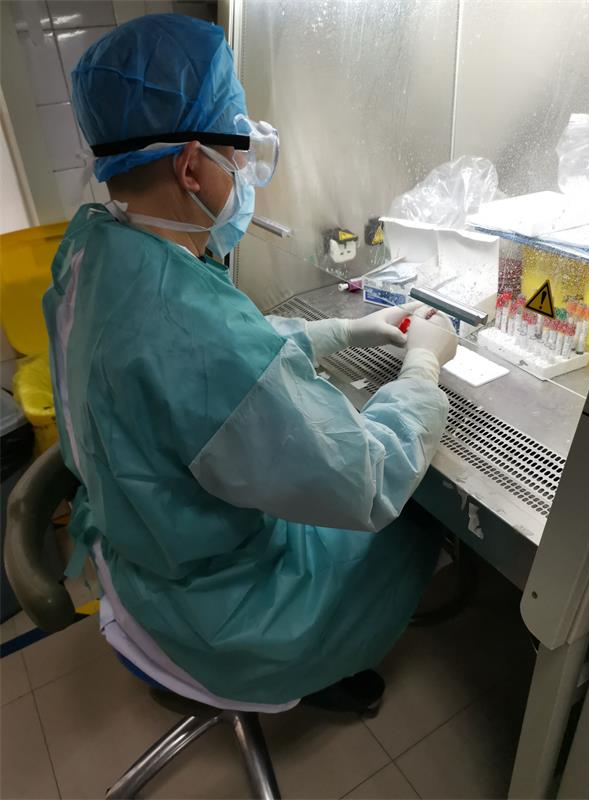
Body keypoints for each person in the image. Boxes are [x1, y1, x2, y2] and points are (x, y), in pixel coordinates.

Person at [43, 13, 457, 713]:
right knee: (413, 527)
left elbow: (205, 365)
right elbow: (370, 478)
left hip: (140, 562)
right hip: (220, 620)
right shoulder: (190, 327)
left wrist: (340, 331)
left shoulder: (97, 249)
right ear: (191, 166)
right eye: (239, 154)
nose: (245, 175)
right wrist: (423, 366)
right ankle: (318, 664)